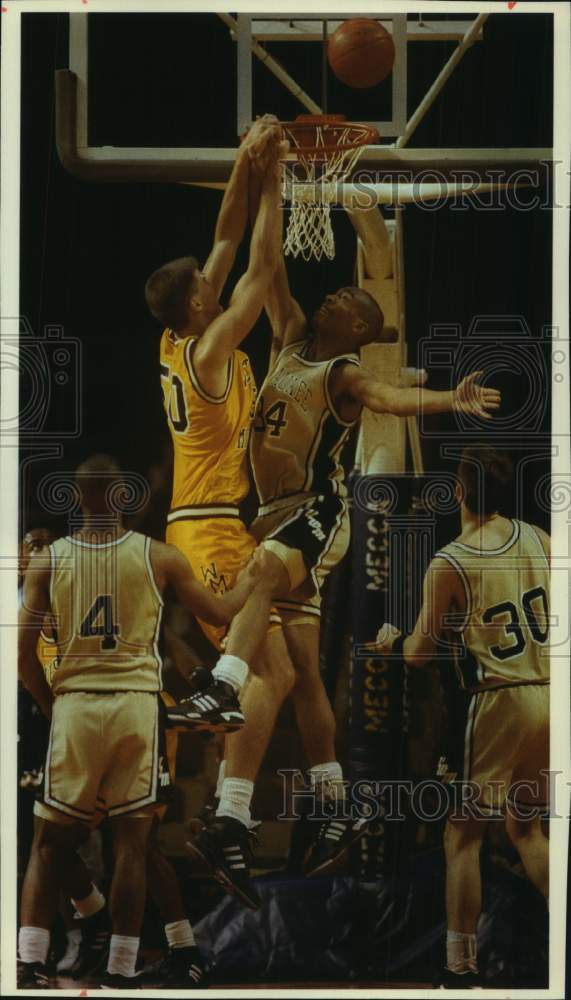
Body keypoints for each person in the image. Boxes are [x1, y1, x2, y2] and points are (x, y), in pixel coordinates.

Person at [177, 243, 501, 896]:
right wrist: (271, 178)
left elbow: (391, 397)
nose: (331, 299)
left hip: (317, 510)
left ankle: (222, 683)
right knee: (297, 675)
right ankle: (313, 801)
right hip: (270, 511)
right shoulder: (293, 335)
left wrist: (448, 400)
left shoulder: (347, 373)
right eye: (331, 298)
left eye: (345, 302)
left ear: (357, 327)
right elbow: (269, 267)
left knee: (261, 585)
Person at [17, 453, 261, 988]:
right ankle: (121, 969)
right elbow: (221, 614)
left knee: (47, 843)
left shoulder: (48, 560)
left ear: (77, 499)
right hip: (135, 707)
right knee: (133, 845)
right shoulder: (160, 557)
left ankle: (30, 962)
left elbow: (20, 658)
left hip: (76, 703)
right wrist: (256, 582)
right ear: (124, 498)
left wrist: (51, 704)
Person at [145, 124, 301, 909]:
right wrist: (276, 179)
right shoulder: (209, 351)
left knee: (281, 672)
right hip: (202, 527)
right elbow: (263, 262)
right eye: (211, 288)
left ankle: (229, 820)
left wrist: (246, 159)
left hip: (218, 520)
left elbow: (226, 236)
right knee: (265, 620)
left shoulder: (180, 336)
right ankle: (214, 688)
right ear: (198, 306)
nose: (220, 284)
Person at [372, 446, 550, 987]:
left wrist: (392, 642)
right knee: (526, 829)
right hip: (550, 693)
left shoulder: (450, 559)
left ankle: (459, 967)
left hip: (499, 699)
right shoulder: (541, 538)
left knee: (462, 834)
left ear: (459, 492)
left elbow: (420, 652)